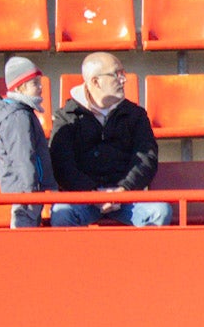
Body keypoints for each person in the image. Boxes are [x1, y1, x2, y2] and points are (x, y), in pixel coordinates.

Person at [49, 52, 172, 227]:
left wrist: (124, 190)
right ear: (95, 81)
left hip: (126, 197)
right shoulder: (66, 117)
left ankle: (142, 255)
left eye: (123, 74)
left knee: (159, 212)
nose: (124, 80)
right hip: (84, 198)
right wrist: (92, 193)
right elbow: (62, 165)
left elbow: (147, 159)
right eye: (116, 74)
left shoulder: (135, 115)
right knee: (62, 214)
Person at [0, 57, 56, 228]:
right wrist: (30, 191)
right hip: (24, 192)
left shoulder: (22, 113)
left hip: (25, 189)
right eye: (35, 83)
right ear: (21, 87)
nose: (41, 87)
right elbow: (23, 156)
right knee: (24, 236)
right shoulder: (19, 116)